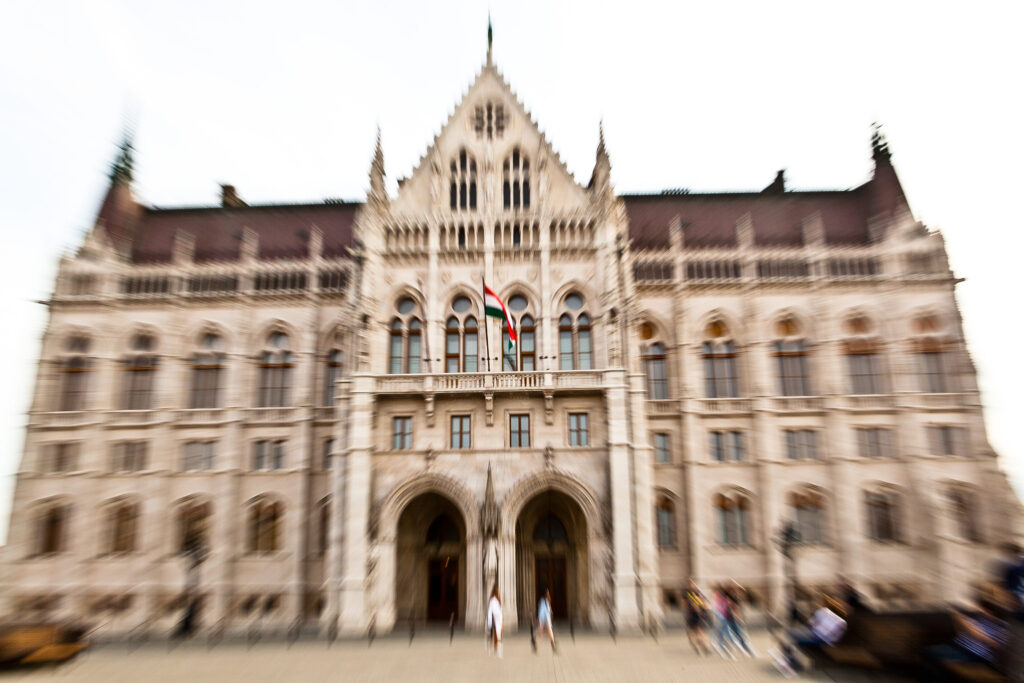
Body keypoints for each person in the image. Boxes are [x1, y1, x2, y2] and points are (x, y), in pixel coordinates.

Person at [924, 600, 1008, 680]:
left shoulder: (1000, 627)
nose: (982, 612)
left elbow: (991, 642)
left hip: (973, 655)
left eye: (985, 610)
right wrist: (959, 620)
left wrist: (966, 625)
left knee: (931, 653)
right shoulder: (980, 619)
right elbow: (962, 628)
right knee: (930, 652)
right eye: (982, 609)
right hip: (958, 647)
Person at [722, 582, 756, 657]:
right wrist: (738, 617)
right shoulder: (730, 596)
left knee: (735, 635)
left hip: (732, 618)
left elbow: (736, 606)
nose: (737, 587)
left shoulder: (735, 595)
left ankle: (729, 649)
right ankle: (748, 651)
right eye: (735, 586)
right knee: (738, 635)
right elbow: (732, 607)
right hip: (731, 618)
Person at [684, 579, 711, 655]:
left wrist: (698, 611)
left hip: (694, 614)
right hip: (701, 613)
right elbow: (705, 603)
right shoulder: (698, 592)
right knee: (699, 631)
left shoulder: (689, 594)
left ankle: (701, 645)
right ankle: (704, 646)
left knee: (692, 632)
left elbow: (691, 604)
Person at [537, 588, 556, 653]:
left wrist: (551, 612)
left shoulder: (546, 601)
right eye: (547, 592)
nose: (548, 593)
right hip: (544, 619)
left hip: (544, 619)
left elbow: (549, 609)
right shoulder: (543, 601)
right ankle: (535, 642)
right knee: (542, 632)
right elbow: (542, 611)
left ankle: (553, 645)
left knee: (545, 632)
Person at [486, 586, 503, 658]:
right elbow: (490, 611)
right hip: (494, 621)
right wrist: (489, 622)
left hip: (499, 620)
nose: (499, 593)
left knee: (498, 637)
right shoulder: (492, 600)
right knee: (493, 636)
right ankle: (490, 649)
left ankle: (497, 651)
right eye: (498, 591)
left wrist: (502, 620)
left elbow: (500, 611)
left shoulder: (498, 600)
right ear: (496, 592)